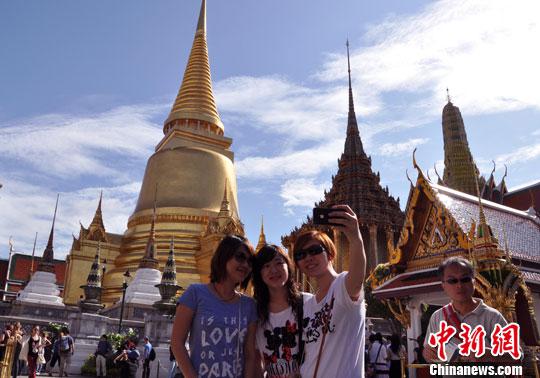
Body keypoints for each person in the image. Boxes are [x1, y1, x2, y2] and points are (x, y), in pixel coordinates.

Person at [292, 205, 366, 378]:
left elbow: (358, 276)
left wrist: (355, 237)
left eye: (315, 251)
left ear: (331, 254)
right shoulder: (308, 305)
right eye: (300, 255)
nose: (308, 258)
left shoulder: (343, 287)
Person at [171, 235, 258, 378]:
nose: (246, 265)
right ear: (224, 256)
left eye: (250, 261)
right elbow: (177, 343)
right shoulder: (195, 293)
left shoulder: (249, 305)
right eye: (240, 257)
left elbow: (249, 355)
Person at [423, 257, 510, 364]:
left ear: (474, 282)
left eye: (465, 279)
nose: (459, 285)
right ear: (443, 286)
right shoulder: (437, 317)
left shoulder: (492, 316)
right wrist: (427, 353)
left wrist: (490, 355)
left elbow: (518, 356)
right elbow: (430, 354)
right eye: (452, 281)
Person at [252, 244, 311, 377]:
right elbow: (256, 360)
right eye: (266, 266)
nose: (273, 270)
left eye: (279, 263)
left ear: (288, 267)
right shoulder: (255, 312)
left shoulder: (309, 303)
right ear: (259, 273)